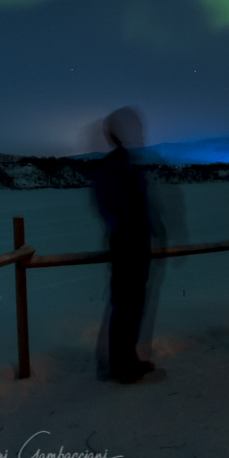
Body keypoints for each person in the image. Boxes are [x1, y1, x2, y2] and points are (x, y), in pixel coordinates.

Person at [91, 106, 156, 383]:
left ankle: (126, 358)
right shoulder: (117, 169)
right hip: (129, 241)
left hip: (130, 239)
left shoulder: (119, 166)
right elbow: (124, 207)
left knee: (130, 302)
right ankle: (120, 364)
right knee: (127, 303)